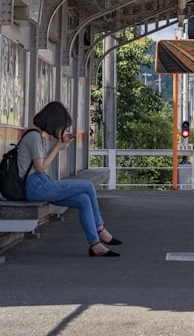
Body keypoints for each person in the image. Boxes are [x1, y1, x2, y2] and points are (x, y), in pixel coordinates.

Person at [17, 101, 122, 257]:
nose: (61, 131)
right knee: (87, 186)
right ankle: (100, 229)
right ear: (53, 122)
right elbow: (40, 167)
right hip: (36, 187)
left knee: (83, 200)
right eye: (61, 127)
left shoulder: (36, 135)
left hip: (41, 184)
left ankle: (95, 244)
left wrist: (58, 146)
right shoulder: (34, 137)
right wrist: (57, 148)